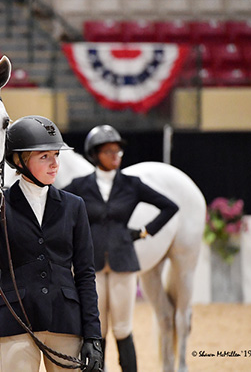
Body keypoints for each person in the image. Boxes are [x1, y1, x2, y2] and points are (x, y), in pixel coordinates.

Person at [0, 115, 103, 372]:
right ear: (19, 160)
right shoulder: (0, 204)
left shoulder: (74, 206)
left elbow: (85, 275)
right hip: (15, 322)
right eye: (45, 157)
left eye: (56, 155)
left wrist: (93, 336)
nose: (55, 164)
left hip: (66, 322)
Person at [64, 125, 179, 372]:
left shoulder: (132, 184)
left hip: (123, 263)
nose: (115, 156)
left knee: (123, 327)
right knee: (98, 328)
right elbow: (56, 207)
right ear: (94, 154)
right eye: (108, 151)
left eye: (118, 152)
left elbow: (170, 206)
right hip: (90, 265)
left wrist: (145, 231)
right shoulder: (79, 185)